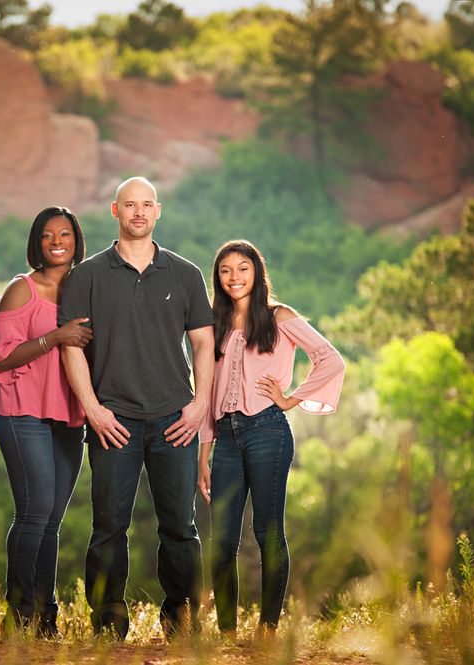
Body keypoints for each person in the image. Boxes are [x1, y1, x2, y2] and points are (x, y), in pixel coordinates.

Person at [58, 176, 215, 640]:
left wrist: (199, 405)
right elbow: (71, 348)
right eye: (130, 204)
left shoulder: (185, 273)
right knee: (108, 527)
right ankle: (108, 624)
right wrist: (92, 408)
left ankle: (181, 621)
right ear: (115, 211)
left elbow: (203, 343)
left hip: (175, 420)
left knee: (181, 529)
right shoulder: (86, 275)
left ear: (158, 211)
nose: (139, 212)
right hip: (113, 421)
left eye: (147, 204)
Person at [197, 239, 345, 636]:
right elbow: (207, 391)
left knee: (267, 531)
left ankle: (268, 628)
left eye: (243, 268)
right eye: (226, 270)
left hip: (268, 431)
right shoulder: (215, 324)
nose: (234, 277)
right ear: (218, 277)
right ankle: (226, 631)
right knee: (222, 540)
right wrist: (203, 455)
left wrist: (291, 399)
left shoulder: (279, 317)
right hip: (225, 438)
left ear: (257, 272)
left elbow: (330, 358)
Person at [0, 206, 92, 638]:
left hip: (69, 414)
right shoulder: (21, 290)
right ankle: (18, 613)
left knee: (51, 520)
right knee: (34, 511)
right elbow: (1, 357)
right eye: (47, 235)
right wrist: (54, 337)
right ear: (37, 242)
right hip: (22, 411)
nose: (57, 241)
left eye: (65, 233)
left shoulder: (86, 288)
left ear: (76, 240)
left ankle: (46, 616)